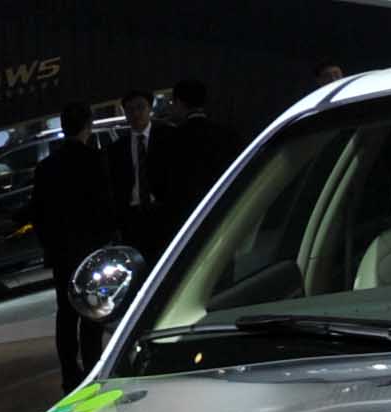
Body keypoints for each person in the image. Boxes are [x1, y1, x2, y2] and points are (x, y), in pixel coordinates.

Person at [32, 103, 118, 391]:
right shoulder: (95, 160)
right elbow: (105, 206)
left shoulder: (46, 167)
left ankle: (70, 374)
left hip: (61, 252)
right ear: (88, 126)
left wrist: (50, 246)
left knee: (66, 314)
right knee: (92, 311)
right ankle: (93, 370)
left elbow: (38, 213)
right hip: (91, 249)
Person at [147, 80, 243, 249]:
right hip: (222, 212)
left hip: (183, 219)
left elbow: (158, 184)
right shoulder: (228, 135)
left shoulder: (169, 139)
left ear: (179, 103)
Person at [105, 90, 156, 251]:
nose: (135, 114)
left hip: (161, 210)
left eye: (140, 107)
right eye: (130, 110)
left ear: (150, 109)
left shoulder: (166, 137)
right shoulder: (116, 149)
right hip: (132, 216)